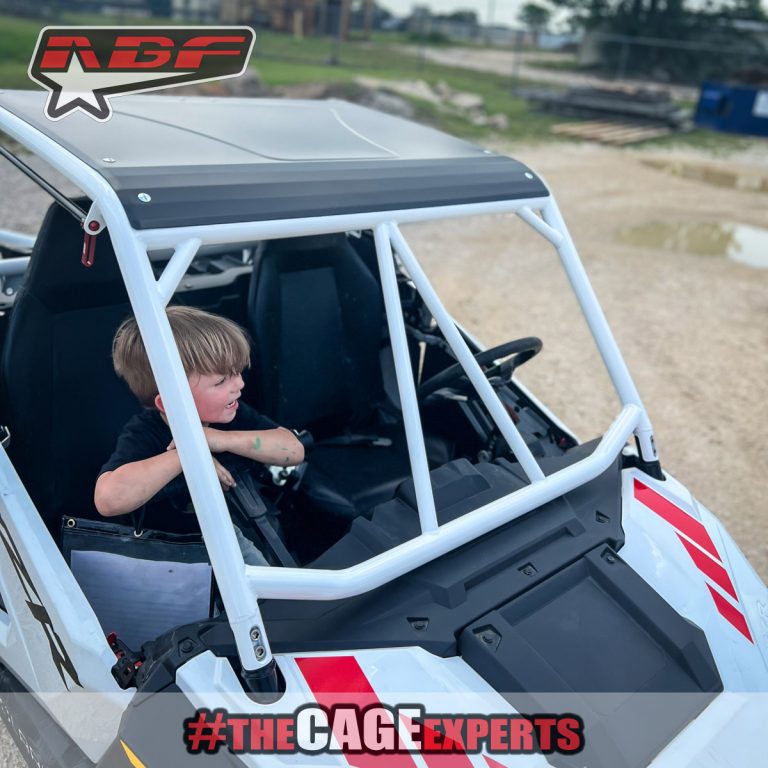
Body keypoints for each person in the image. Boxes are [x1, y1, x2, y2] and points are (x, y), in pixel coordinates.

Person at [94, 306, 304, 565]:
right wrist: (190, 453)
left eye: (237, 372)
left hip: (249, 534)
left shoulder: (230, 415)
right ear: (170, 402)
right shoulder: (145, 434)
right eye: (221, 381)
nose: (239, 385)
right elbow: (108, 499)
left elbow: (293, 450)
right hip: (182, 563)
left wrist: (218, 439)